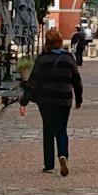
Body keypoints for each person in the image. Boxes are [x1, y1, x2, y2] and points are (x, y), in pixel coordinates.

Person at [19, 26, 83, 175]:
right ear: (60, 42)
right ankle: (63, 155)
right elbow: (76, 80)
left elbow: (33, 82)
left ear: (47, 43)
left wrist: (24, 102)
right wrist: (78, 99)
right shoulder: (68, 58)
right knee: (61, 129)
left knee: (48, 130)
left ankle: (48, 164)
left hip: (46, 100)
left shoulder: (42, 60)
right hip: (64, 100)